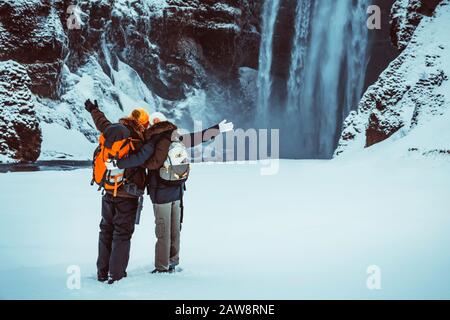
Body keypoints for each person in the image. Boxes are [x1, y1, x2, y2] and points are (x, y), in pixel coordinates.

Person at [107, 112, 233, 273]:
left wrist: (118, 163)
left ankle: (161, 267)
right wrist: (217, 129)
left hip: (161, 193)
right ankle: (173, 260)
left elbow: (139, 158)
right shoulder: (175, 136)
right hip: (178, 189)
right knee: (175, 228)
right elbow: (196, 138)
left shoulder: (154, 138)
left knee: (163, 230)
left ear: (153, 124)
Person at [85, 99, 156, 284]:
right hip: (128, 195)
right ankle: (115, 275)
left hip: (109, 191)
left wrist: (93, 109)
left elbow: (102, 122)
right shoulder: (139, 140)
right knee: (122, 234)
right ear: (143, 123)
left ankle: (102, 272)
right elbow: (142, 157)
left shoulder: (113, 131)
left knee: (106, 231)